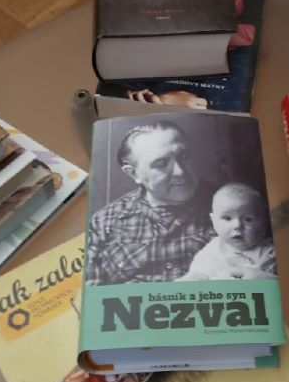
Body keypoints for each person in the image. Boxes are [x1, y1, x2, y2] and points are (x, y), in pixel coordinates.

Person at [85, 121, 214, 285]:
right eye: (161, 164)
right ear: (134, 174)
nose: (180, 171)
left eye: (184, 156)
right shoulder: (103, 222)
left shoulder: (235, 206)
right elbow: (92, 291)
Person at [177, 183, 276, 280]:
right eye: (227, 218)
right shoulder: (211, 252)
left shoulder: (271, 253)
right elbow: (197, 275)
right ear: (213, 221)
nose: (237, 225)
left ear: (264, 220)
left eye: (248, 219)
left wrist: (266, 279)